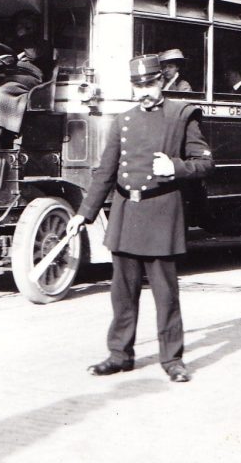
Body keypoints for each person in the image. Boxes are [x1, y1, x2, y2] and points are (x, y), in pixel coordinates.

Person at [66, 54, 214, 383]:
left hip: (161, 213)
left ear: (163, 81)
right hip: (126, 212)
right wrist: (83, 214)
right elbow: (105, 172)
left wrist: (175, 167)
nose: (144, 92)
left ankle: (172, 359)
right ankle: (120, 354)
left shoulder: (182, 115)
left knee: (165, 294)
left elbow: (205, 162)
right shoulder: (123, 120)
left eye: (150, 84)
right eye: (138, 86)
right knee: (122, 293)